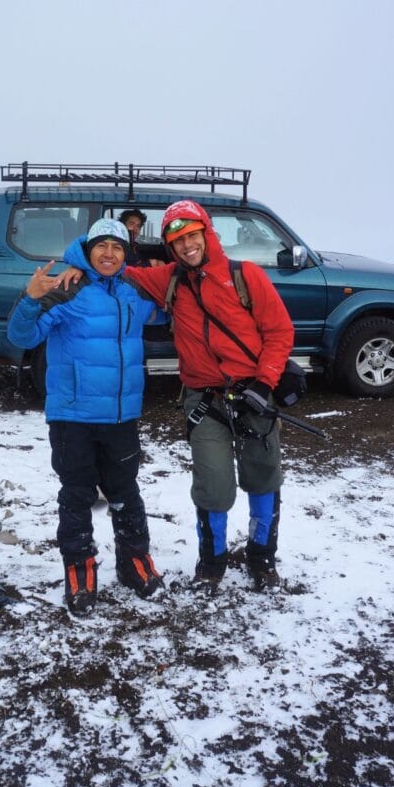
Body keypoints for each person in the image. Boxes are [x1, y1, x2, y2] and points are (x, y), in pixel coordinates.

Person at [120, 200, 294, 591]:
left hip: (254, 394)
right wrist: (78, 261)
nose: (186, 246)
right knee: (213, 485)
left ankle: (261, 558)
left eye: (192, 236)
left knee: (263, 477)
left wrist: (265, 384)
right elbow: (114, 267)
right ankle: (212, 563)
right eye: (177, 240)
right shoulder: (168, 280)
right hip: (205, 402)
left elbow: (280, 333)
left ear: (206, 234)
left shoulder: (245, 276)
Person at [6, 218, 165, 617]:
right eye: (101, 246)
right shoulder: (67, 289)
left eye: (117, 246)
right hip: (73, 416)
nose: (109, 254)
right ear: (88, 250)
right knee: (76, 495)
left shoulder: (133, 291)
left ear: (125, 252)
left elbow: (165, 310)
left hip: (121, 416)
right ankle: (79, 569)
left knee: (126, 493)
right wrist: (29, 298)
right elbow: (22, 337)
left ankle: (134, 563)